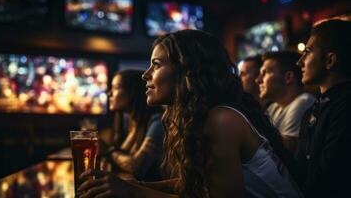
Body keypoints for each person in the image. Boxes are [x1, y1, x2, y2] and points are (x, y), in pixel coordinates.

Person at [78, 30, 302, 198]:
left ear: (187, 70)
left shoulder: (221, 119)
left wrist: (133, 192)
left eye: (156, 65)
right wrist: (132, 185)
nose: (146, 75)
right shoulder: (204, 117)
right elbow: (195, 184)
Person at [295, 19, 351, 197]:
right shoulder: (313, 110)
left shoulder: (345, 108)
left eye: (308, 52)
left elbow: (328, 179)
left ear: (330, 60)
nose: (299, 62)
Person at [103, 69, 164, 182]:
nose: (109, 93)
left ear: (133, 92)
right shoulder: (133, 124)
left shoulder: (158, 122)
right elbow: (123, 156)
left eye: (115, 88)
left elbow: (137, 166)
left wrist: (108, 151)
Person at [256, 51, 315, 153]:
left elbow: (287, 150)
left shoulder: (304, 101)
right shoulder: (273, 107)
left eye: (265, 73)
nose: (258, 80)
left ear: (288, 77)